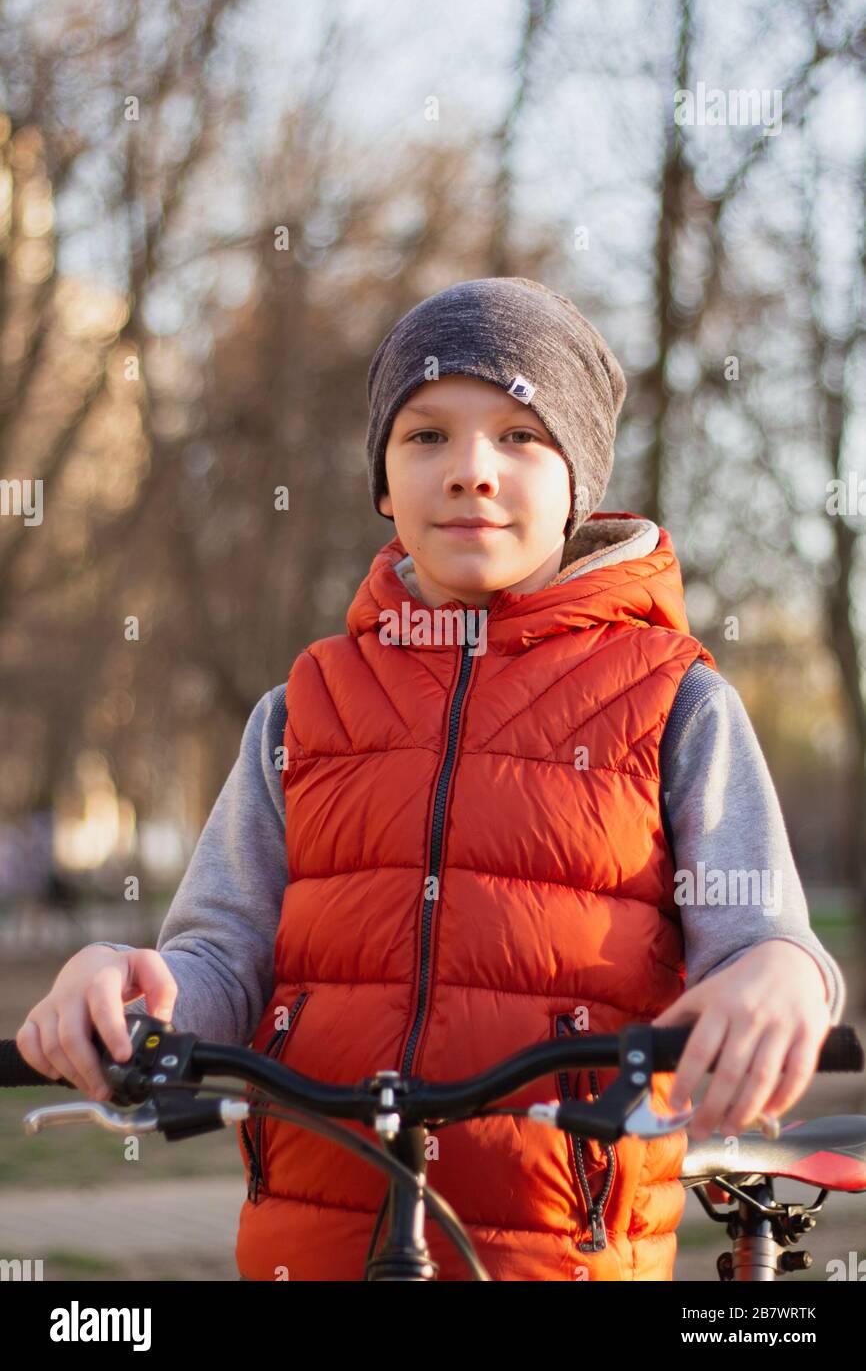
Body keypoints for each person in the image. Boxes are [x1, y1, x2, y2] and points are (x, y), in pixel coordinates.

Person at [16, 277, 846, 1282]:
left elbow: (758, 936)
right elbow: (221, 959)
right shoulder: (300, 710)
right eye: (424, 437)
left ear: (578, 476)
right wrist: (126, 986)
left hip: (562, 1253)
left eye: (518, 435)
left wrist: (779, 972)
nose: (469, 472)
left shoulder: (674, 704)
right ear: (381, 480)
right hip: (312, 1244)